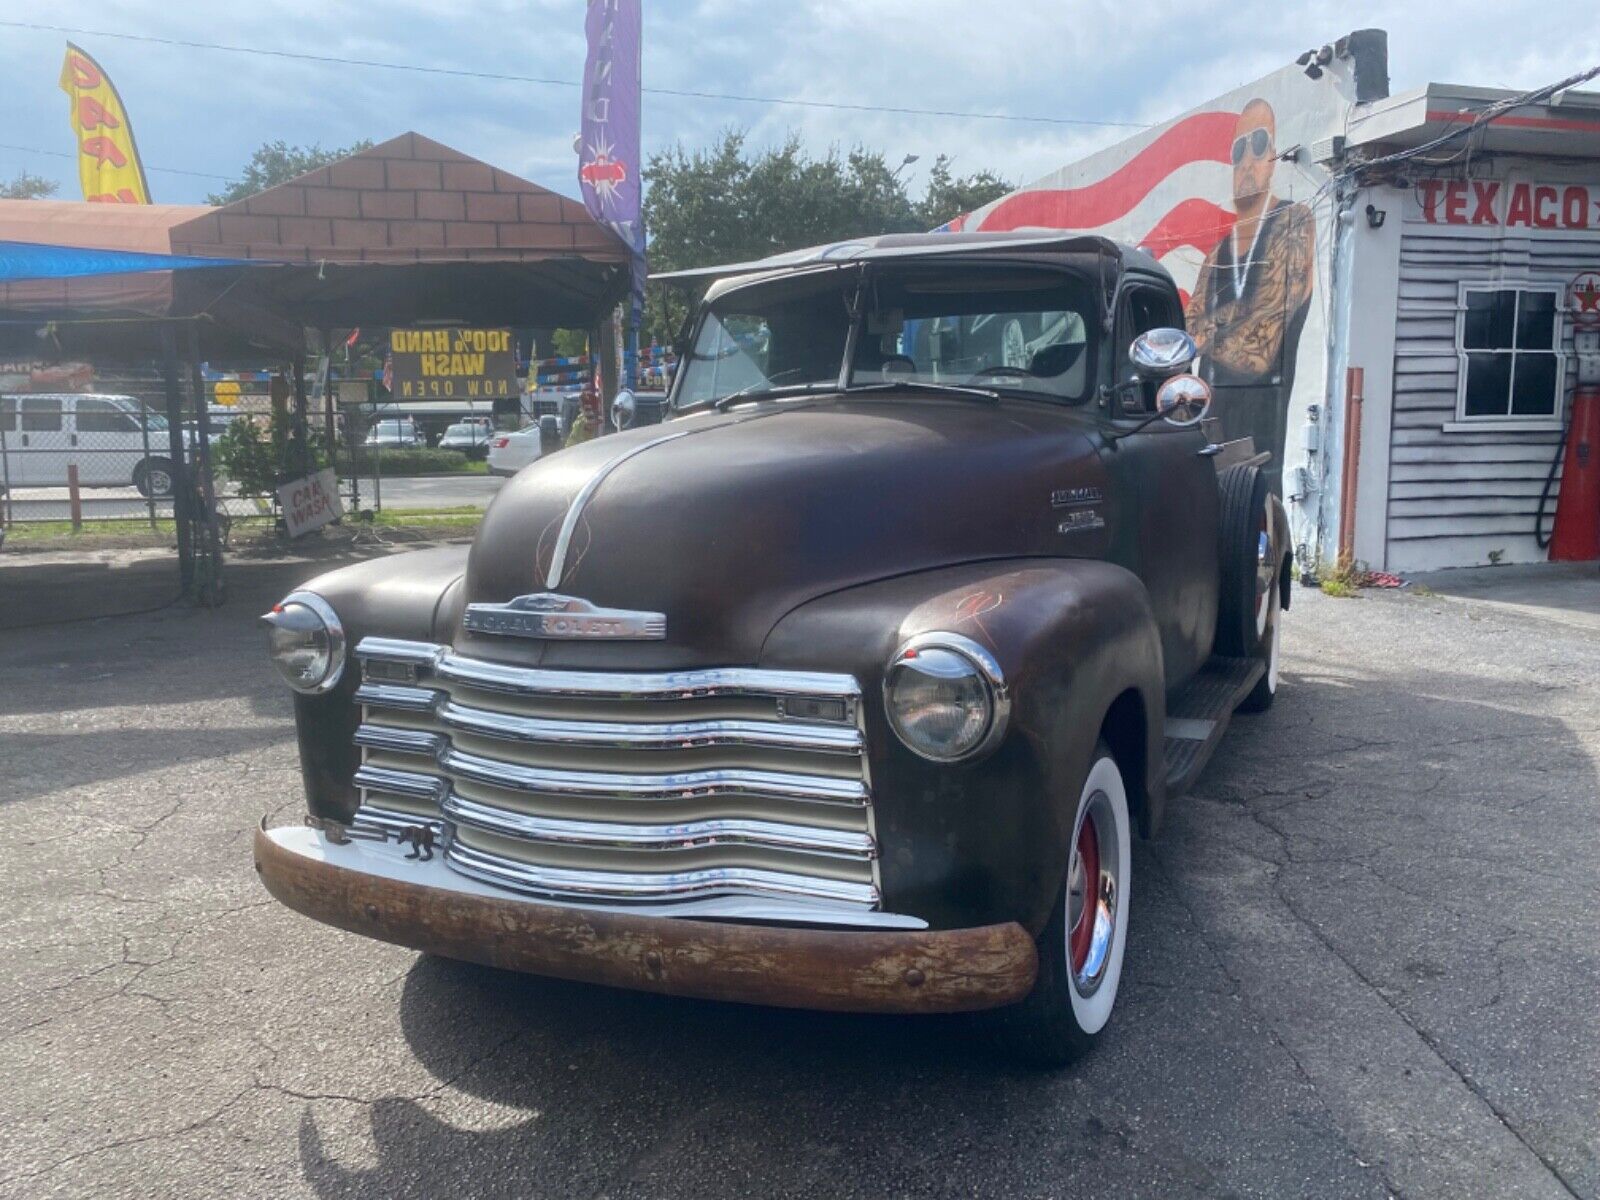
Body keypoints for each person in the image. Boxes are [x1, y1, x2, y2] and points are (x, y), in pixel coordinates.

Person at [1184, 97, 1316, 487]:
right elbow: (1188, 332)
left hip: (1263, 454)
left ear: (1275, 155)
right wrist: (1236, 319)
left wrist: (1209, 333)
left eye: (1258, 144)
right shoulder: (1215, 254)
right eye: (1238, 149)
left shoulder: (1293, 222)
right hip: (1209, 446)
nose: (1247, 159)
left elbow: (1261, 349)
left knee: (1258, 536)